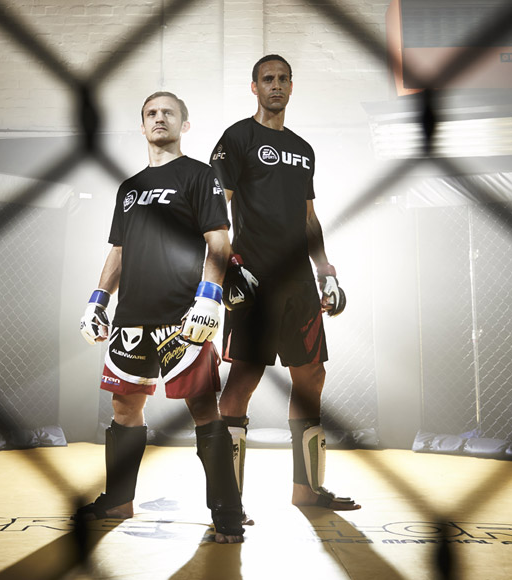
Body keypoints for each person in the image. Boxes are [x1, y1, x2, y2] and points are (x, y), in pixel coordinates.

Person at [75, 91, 244, 543]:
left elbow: (219, 243)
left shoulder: (200, 175)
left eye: (168, 112)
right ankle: (118, 499)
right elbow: (119, 250)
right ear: (143, 124)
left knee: (203, 408)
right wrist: (97, 299)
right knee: (124, 406)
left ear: (184, 125)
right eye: (151, 113)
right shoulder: (128, 188)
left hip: (182, 315)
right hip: (130, 317)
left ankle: (227, 510)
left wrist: (209, 297)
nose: (159, 118)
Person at [209, 55, 361, 512]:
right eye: (267, 79)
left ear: (292, 87)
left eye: (282, 79)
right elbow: (217, 211)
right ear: (253, 87)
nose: (275, 86)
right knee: (243, 379)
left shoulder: (303, 148)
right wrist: (227, 267)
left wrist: (326, 270)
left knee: (312, 375)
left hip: (300, 281)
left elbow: (308, 217)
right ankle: (227, 500)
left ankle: (307, 492)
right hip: (252, 277)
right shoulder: (237, 138)